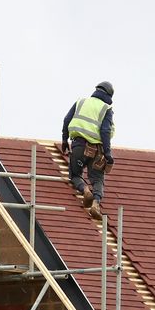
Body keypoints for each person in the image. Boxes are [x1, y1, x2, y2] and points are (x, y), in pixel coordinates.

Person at [61, 81, 115, 220]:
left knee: (75, 174)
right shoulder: (106, 108)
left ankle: (85, 190)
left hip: (79, 145)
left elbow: (67, 120)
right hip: (97, 150)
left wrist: (64, 140)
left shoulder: (81, 102)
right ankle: (96, 203)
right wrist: (108, 154)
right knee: (97, 178)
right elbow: (106, 131)